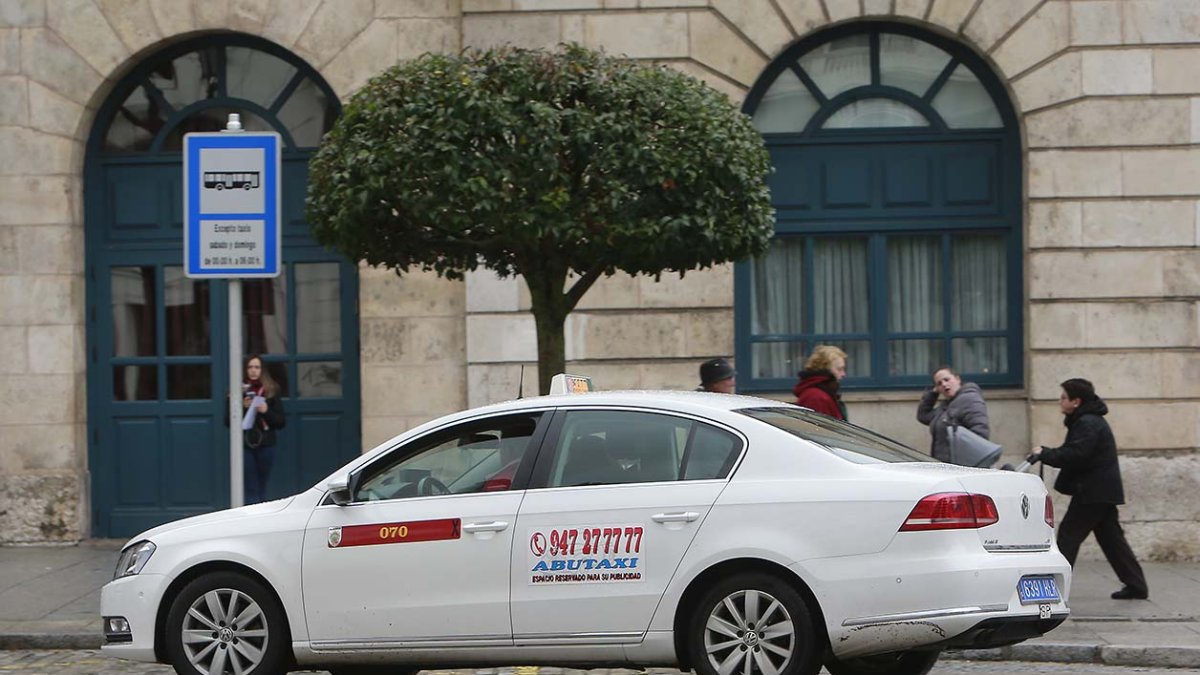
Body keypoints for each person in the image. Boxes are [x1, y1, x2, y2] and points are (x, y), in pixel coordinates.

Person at [1033, 378, 1149, 600]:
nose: (1060, 401)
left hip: (1092, 492)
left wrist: (1045, 453)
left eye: (1064, 397)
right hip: (1099, 491)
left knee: (1068, 536)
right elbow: (1077, 452)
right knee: (1112, 539)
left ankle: (1053, 589)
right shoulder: (1087, 421)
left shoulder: (1087, 423)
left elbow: (1076, 454)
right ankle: (1136, 585)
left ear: (1076, 401)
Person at [228, 355, 286, 504]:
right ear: (245, 370)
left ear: (262, 370)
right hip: (245, 445)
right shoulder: (236, 391)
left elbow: (280, 422)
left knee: (261, 485)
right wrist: (241, 407)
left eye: (257, 367)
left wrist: (266, 410)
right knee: (250, 486)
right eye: (250, 367)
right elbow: (227, 421)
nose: (253, 371)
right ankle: (250, 519)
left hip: (266, 444)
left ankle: (260, 518)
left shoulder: (271, 391)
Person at [916, 366, 991, 463]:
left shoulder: (970, 399)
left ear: (957, 379)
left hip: (962, 467)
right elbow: (923, 416)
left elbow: (980, 434)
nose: (944, 384)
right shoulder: (946, 406)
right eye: (939, 383)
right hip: (944, 466)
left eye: (947, 379)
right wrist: (933, 393)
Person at [793, 345, 847, 420]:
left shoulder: (824, 392)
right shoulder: (816, 397)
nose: (843, 374)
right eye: (839, 369)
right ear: (825, 369)